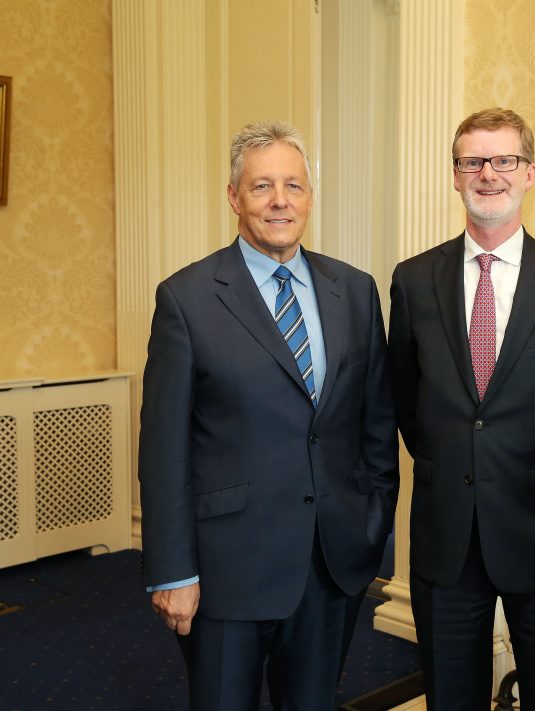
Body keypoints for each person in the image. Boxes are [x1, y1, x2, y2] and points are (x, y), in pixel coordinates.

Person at [138, 120, 398, 710]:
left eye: (293, 186)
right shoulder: (187, 299)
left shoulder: (354, 291)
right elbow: (164, 450)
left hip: (331, 565)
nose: (280, 201)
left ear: (309, 195)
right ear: (234, 197)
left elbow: (376, 424)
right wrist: (172, 571)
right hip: (228, 569)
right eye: (261, 187)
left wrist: (371, 523)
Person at [388, 107, 535, 710]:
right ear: (455, 175)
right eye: (472, 161)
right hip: (446, 535)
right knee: (450, 696)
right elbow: (404, 402)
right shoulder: (412, 281)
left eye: (504, 160)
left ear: (529, 173)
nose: (489, 174)